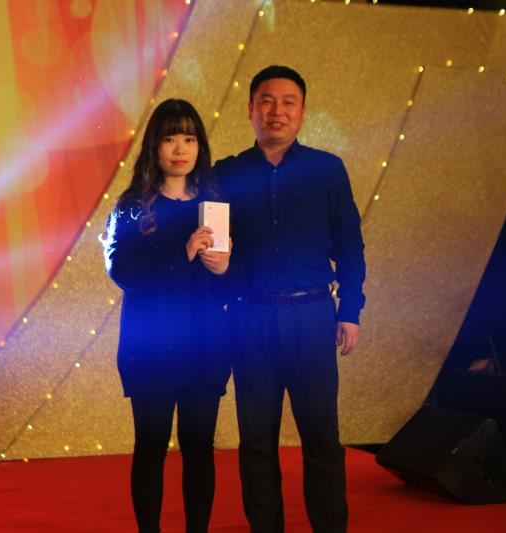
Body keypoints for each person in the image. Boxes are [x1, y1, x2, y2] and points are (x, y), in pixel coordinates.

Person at [215, 65, 366, 532]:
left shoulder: (327, 170)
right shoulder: (226, 173)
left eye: (288, 102)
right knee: (256, 443)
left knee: (322, 438)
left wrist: (350, 310)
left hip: (312, 316)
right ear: (251, 109)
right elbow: (215, 254)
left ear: (302, 111)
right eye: (266, 101)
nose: (276, 111)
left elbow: (350, 244)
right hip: (249, 320)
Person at [102, 98, 231, 533]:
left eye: (189, 139)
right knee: (151, 446)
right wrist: (183, 252)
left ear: (200, 146)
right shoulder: (133, 206)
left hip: (205, 345)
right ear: (153, 146)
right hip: (151, 348)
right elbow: (123, 271)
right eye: (170, 138)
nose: (180, 148)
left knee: (200, 449)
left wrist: (225, 269)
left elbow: (232, 282)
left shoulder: (216, 205)